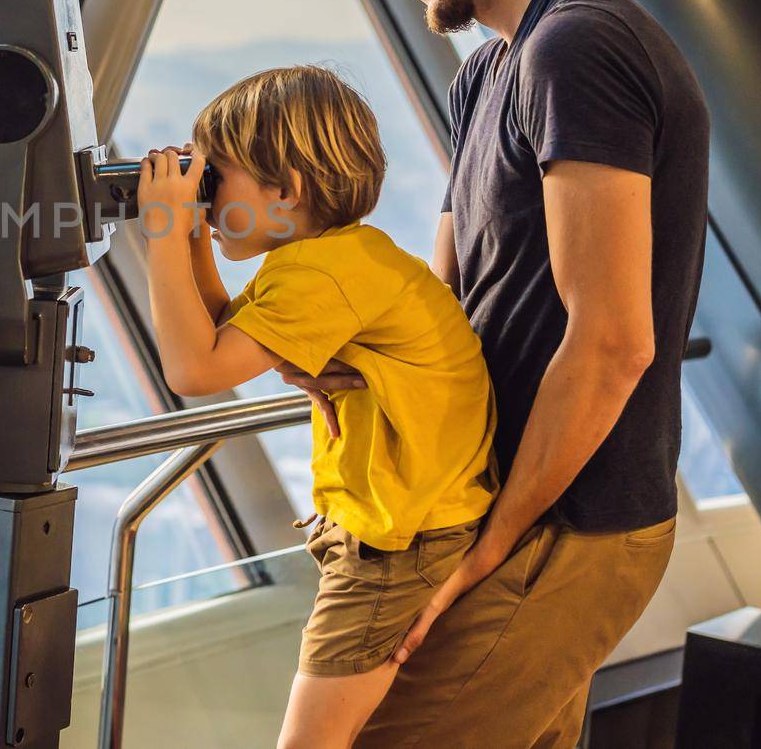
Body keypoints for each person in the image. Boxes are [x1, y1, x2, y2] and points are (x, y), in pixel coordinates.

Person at [278, 0, 711, 746]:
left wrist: (491, 544)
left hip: (564, 517)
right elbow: (441, 302)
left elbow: (611, 341)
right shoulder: (489, 70)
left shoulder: (578, 46)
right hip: (500, 500)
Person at [135, 64, 498, 749]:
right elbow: (221, 333)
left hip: (398, 541)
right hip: (404, 525)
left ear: (285, 189)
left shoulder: (324, 274)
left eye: (217, 180)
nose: (206, 201)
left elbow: (193, 366)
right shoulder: (333, 259)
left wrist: (160, 230)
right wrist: (185, 235)